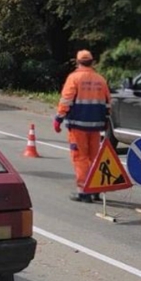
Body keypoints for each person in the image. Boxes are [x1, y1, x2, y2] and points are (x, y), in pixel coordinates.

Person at [54, 50, 111, 202]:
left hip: (78, 125)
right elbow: (107, 103)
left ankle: (84, 191)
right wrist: (106, 121)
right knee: (94, 158)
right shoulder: (100, 79)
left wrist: (58, 118)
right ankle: (96, 189)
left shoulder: (74, 78)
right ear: (92, 62)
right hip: (96, 126)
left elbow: (66, 100)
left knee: (80, 158)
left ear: (78, 62)